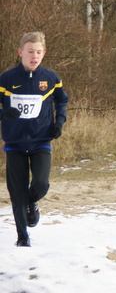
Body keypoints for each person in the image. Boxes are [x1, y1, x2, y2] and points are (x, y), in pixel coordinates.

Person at [0, 31, 68, 247]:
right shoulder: (7, 79)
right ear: (21, 52)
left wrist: (59, 123)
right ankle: (23, 238)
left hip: (41, 141)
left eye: (38, 52)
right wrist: (4, 114)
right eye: (30, 51)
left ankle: (31, 203)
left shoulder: (50, 78)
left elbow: (61, 101)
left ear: (44, 54)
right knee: (16, 192)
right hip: (15, 144)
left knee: (41, 184)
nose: (34, 56)